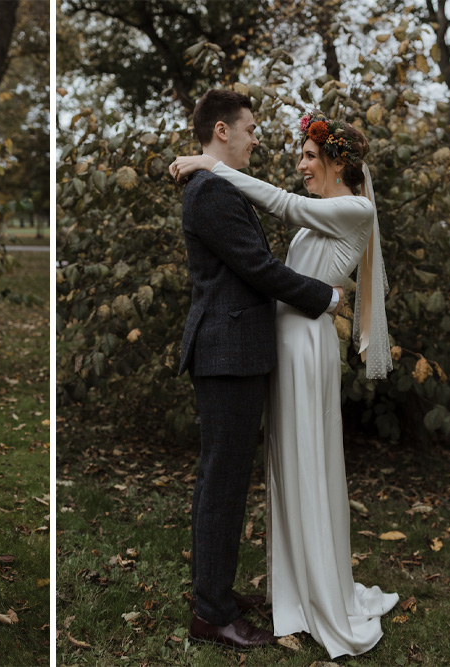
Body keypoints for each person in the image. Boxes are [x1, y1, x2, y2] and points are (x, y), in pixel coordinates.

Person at [171, 106, 400, 658]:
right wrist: (325, 297)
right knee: (269, 468)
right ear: (223, 129)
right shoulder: (302, 206)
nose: (297, 162)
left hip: (299, 346)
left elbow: (280, 212)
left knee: (301, 462)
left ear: (335, 161)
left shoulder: (349, 207)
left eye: (307, 154)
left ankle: (289, 591)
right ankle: (254, 595)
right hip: (268, 344)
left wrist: (208, 163)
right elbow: (265, 263)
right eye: (252, 130)